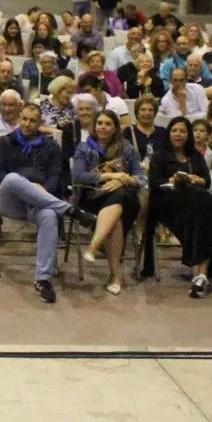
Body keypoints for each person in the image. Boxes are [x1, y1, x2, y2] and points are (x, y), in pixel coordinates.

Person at [0, 99, 85, 304]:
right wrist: (29, 188)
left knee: (49, 215)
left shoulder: (50, 147)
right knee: (13, 178)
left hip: (38, 203)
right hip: (8, 199)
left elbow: (56, 176)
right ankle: (68, 210)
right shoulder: (5, 142)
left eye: (33, 120)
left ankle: (43, 279)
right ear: (18, 119)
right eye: (24, 119)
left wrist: (44, 190)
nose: (27, 124)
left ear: (40, 123)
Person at [143, 116, 212, 296]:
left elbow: (206, 181)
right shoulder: (159, 156)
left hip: (192, 206)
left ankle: (201, 277)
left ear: (188, 135)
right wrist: (173, 180)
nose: (178, 134)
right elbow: (155, 183)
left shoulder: (195, 156)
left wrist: (195, 179)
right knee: (201, 201)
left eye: (183, 131)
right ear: (169, 133)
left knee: (201, 214)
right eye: (175, 130)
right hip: (166, 205)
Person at [71, 109, 144, 294]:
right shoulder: (83, 147)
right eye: (100, 123)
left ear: (115, 128)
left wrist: (124, 180)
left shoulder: (127, 148)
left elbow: (141, 179)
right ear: (94, 126)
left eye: (108, 124)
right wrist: (111, 175)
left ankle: (95, 245)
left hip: (126, 199)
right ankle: (114, 275)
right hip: (91, 197)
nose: (103, 127)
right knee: (116, 219)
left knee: (119, 196)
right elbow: (78, 177)